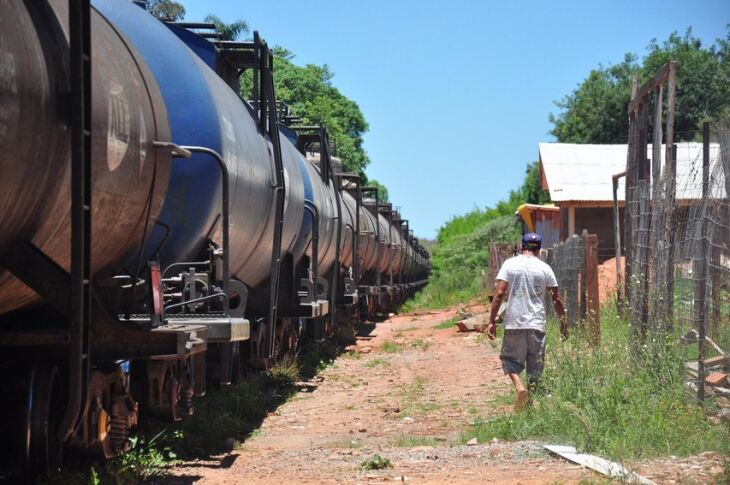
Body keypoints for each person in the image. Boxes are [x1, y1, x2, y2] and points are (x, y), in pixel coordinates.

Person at [486, 233, 567, 411]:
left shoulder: (509, 264)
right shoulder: (545, 268)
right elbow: (556, 299)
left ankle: (519, 387)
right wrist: (563, 324)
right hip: (537, 323)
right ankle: (529, 406)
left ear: (522, 247)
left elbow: (499, 294)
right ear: (538, 249)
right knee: (535, 368)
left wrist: (491, 321)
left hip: (514, 321)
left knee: (510, 361)